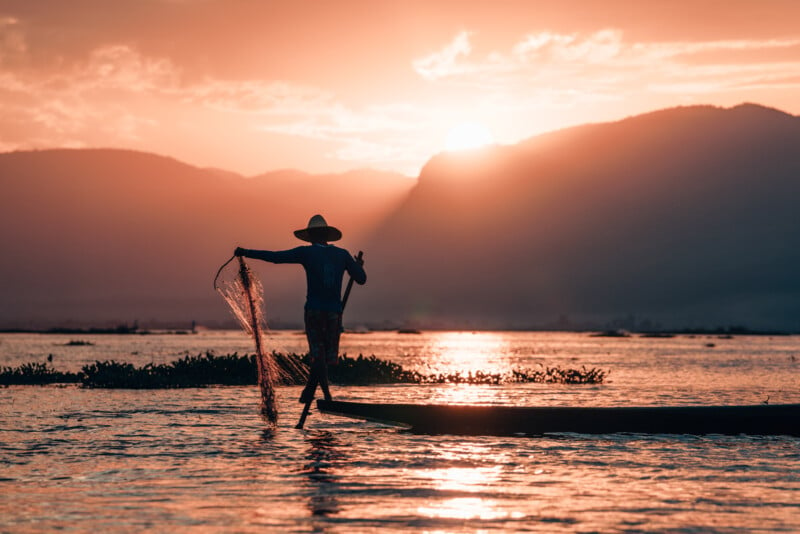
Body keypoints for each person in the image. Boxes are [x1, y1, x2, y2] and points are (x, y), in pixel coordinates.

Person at [234, 214, 366, 403]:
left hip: (314, 311)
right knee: (324, 356)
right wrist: (357, 267)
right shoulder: (342, 255)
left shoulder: (307, 253)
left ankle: (318, 392)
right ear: (326, 235)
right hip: (334, 313)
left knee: (318, 355)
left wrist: (246, 251)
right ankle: (315, 392)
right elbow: (361, 278)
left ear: (311, 236)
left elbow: (275, 257)